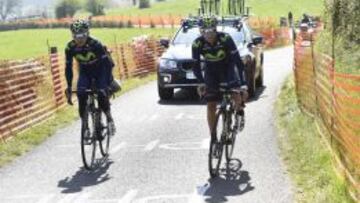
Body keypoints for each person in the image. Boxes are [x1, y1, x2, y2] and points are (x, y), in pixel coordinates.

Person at [192, 16, 248, 140]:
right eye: (205, 31)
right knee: (211, 104)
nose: (208, 34)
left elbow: (238, 62)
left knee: (235, 94)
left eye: (211, 30)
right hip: (211, 71)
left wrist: (243, 85)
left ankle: (239, 112)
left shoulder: (225, 38)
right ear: (201, 31)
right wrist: (201, 83)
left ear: (216, 29)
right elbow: (195, 66)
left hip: (227, 68)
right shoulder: (197, 43)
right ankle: (213, 136)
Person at [64, 19, 118, 134]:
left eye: (82, 34)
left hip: (100, 70)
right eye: (76, 35)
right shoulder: (70, 47)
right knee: (81, 94)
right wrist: (69, 86)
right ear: (72, 35)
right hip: (85, 71)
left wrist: (108, 83)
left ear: (87, 33)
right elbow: (68, 68)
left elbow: (107, 64)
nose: (79, 38)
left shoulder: (95, 44)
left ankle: (109, 118)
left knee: (101, 93)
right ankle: (85, 127)